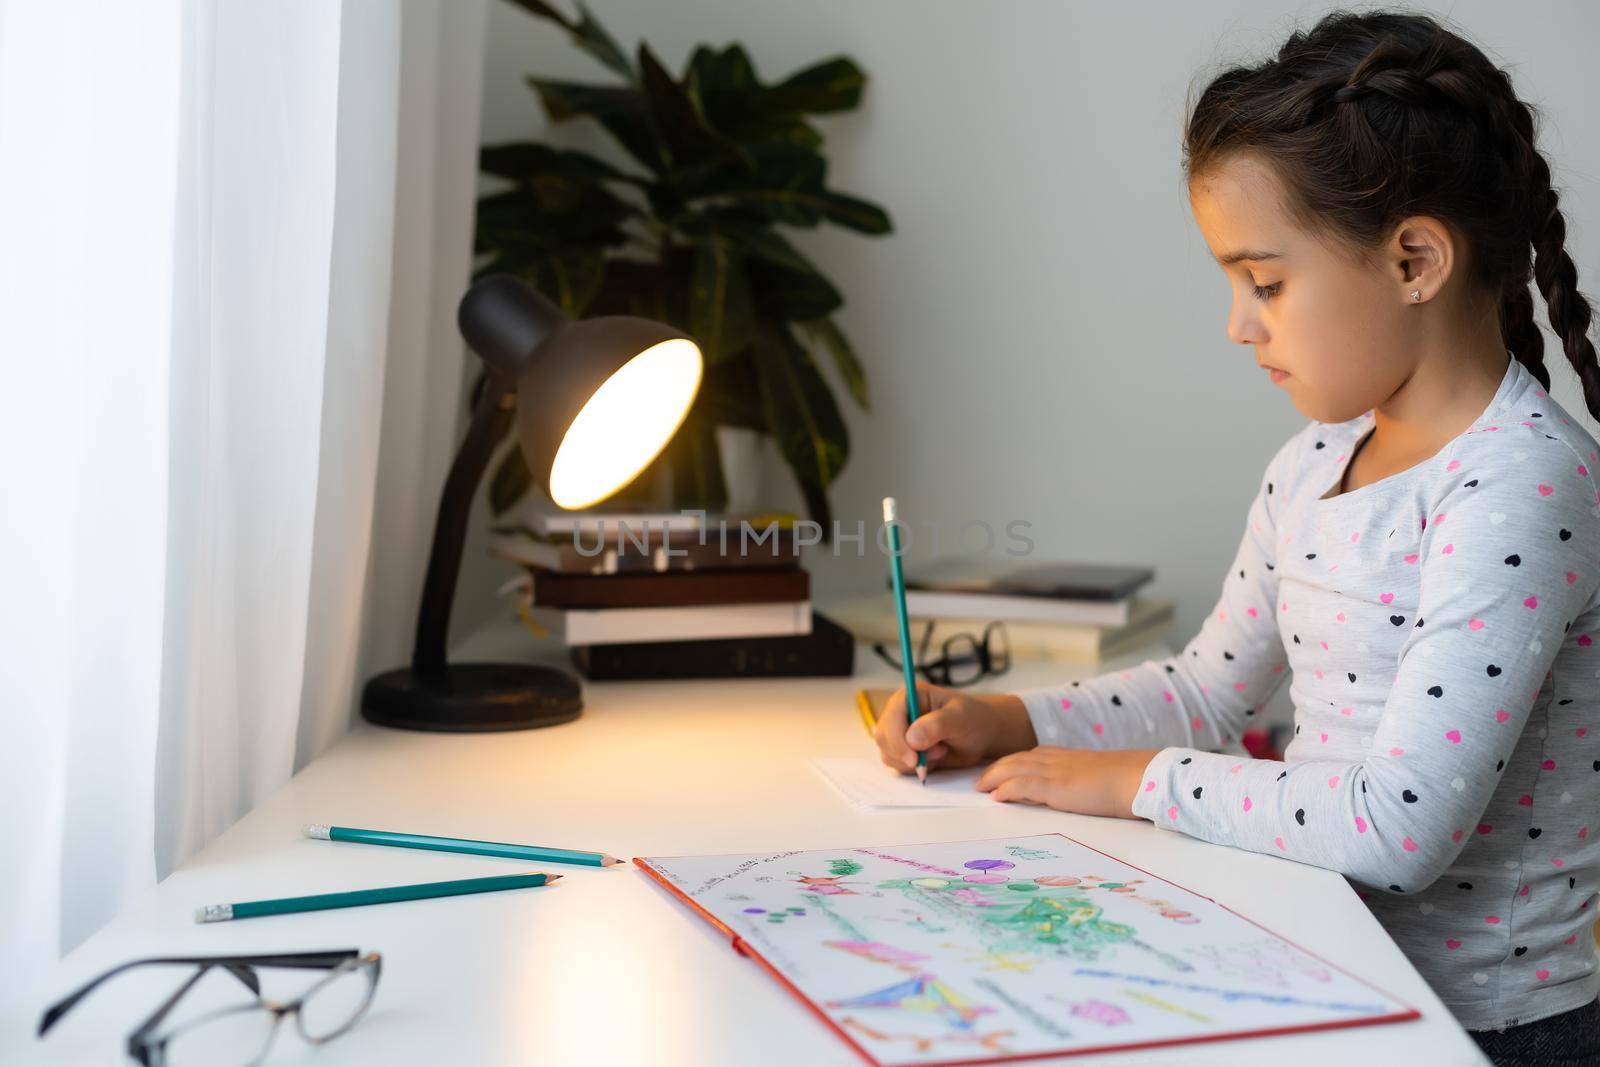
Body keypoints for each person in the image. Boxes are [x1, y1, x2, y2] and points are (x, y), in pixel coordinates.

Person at [871, 10, 1600, 1064]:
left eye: (1264, 282)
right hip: (1331, 972)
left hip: (1488, 1028)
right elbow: (1209, 691)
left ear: (1413, 260)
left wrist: (1136, 779)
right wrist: (1007, 715)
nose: (1237, 323)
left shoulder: (1521, 489)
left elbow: (1397, 824)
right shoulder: (1315, 462)